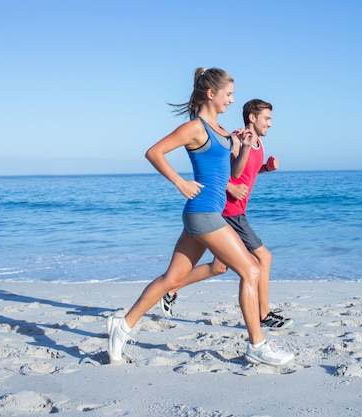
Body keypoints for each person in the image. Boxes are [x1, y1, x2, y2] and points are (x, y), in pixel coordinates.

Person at [106, 67, 294, 367]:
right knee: (251, 270)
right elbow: (154, 152)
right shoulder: (196, 128)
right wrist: (180, 183)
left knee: (173, 278)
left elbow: (231, 175)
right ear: (211, 94)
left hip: (205, 213)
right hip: (203, 213)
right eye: (228, 94)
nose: (232, 100)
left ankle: (123, 325)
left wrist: (244, 146)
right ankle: (257, 344)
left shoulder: (222, 132)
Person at [157, 99, 293, 330]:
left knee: (218, 267)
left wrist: (265, 168)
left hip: (234, 211)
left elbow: (246, 173)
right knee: (264, 258)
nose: (270, 124)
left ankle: (171, 288)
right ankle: (264, 314)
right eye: (267, 118)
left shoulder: (257, 143)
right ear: (252, 117)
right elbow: (226, 172)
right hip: (230, 211)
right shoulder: (237, 139)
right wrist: (230, 187)